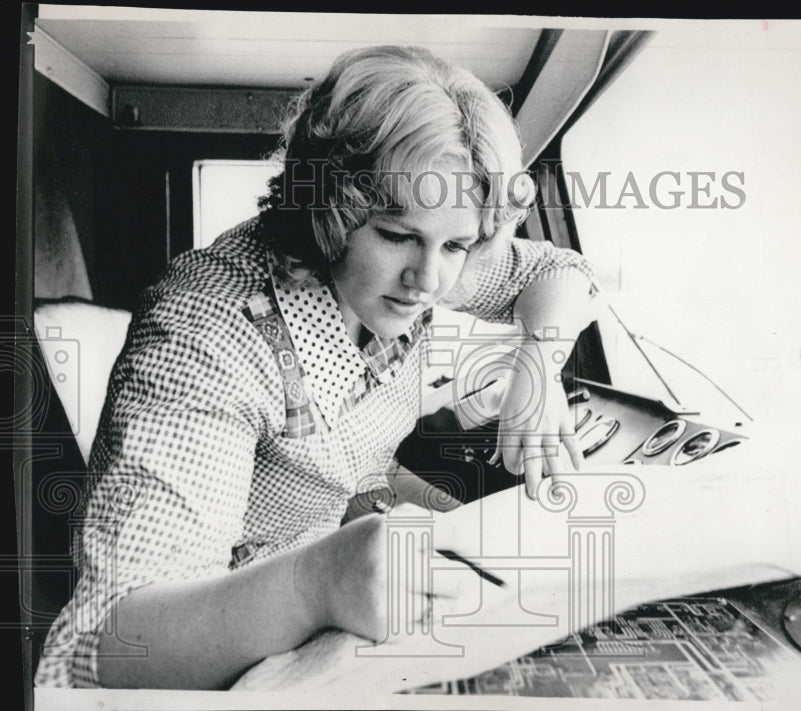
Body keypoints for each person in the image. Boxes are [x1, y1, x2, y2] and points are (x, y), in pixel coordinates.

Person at [34, 45, 599, 690]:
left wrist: (539, 367)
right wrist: (316, 585)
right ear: (330, 206)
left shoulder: (427, 260)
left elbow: (561, 272)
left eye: (459, 244)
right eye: (396, 236)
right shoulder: (208, 330)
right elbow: (106, 643)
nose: (430, 281)